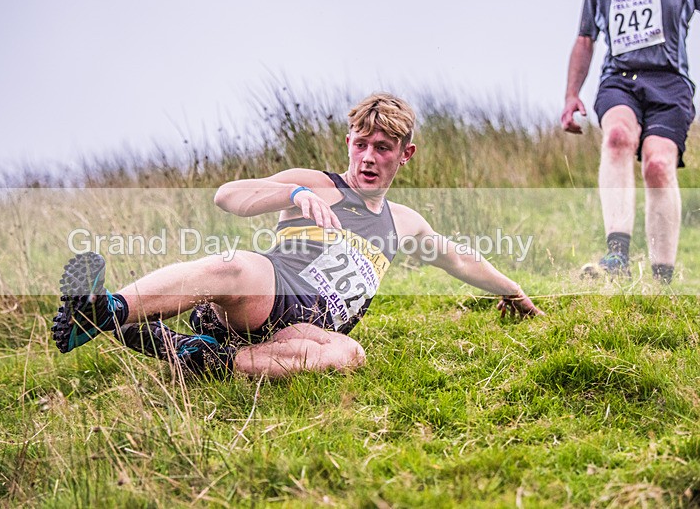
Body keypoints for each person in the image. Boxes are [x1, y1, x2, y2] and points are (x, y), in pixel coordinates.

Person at [52, 93, 543, 378]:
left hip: (298, 331)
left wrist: (514, 291)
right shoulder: (316, 184)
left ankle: (207, 359)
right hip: (263, 293)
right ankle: (102, 310)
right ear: (348, 143)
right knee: (235, 264)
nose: (369, 157)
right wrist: (290, 195)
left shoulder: (406, 223)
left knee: (349, 353)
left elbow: (459, 260)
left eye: (383, 148)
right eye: (361, 145)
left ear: (405, 154)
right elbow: (228, 196)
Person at [562, 0, 700, 283]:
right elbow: (586, 38)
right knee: (617, 137)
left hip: (671, 82)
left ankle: (662, 279)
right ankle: (617, 256)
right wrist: (571, 96)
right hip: (620, 79)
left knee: (658, 165)